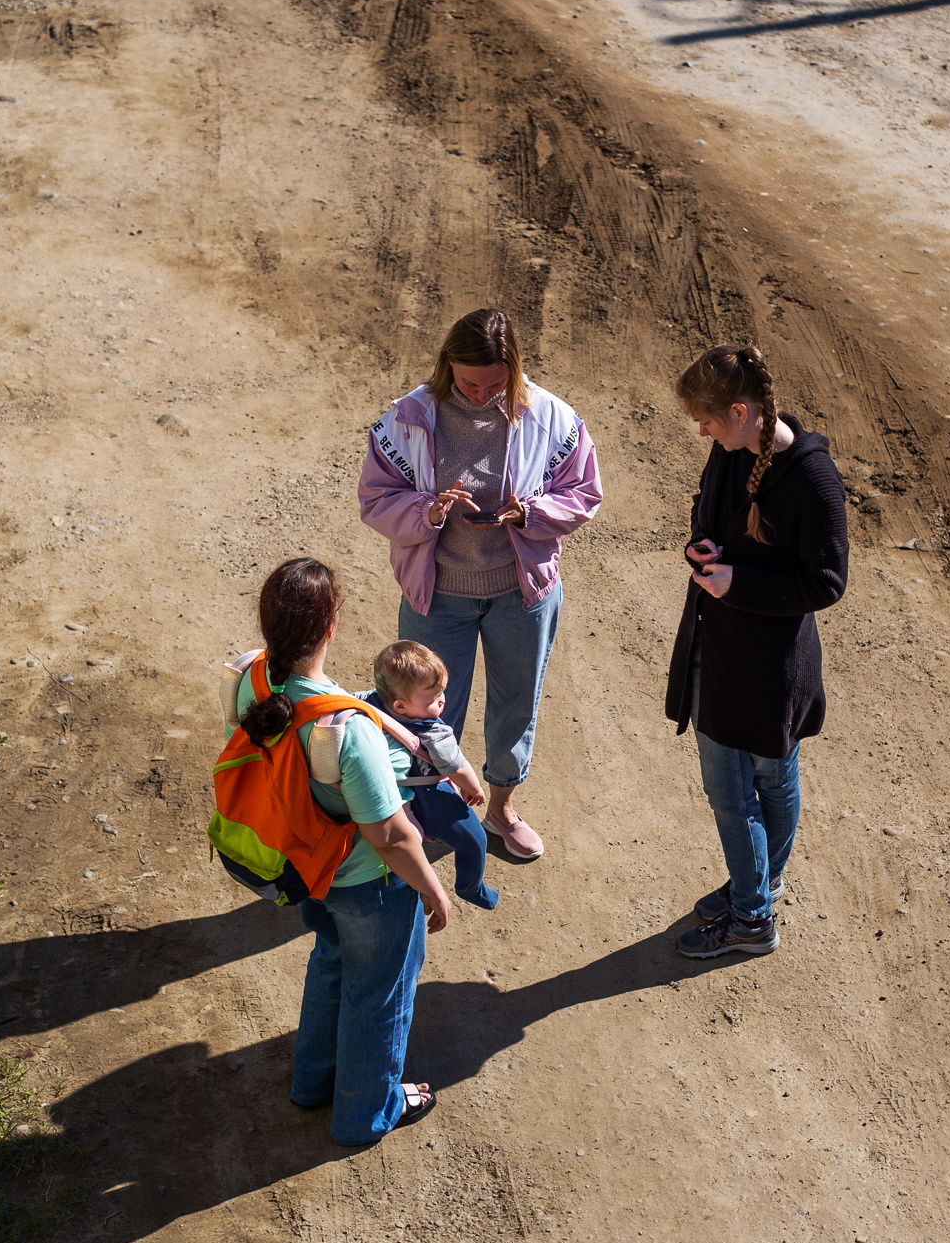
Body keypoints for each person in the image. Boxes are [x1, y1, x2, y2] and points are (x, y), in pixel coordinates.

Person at [358, 307, 603, 863]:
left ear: (514, 369)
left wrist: (530, 514)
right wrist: (429, 509)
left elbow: (583, 491)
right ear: (448, 364)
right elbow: (375, 499)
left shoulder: (552, 419)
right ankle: (426, 812)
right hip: (438, 594)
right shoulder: (407, 419)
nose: (482, 393)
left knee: (517, 702)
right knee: (424, 712)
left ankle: (501, 810)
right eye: (470, 382)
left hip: (521, 593)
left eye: (496, 383)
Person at [225, 557, 452, 1144]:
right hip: (365, 884)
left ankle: (312, 1082)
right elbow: (392, 836)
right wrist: (433, 888)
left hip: (303, 869)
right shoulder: (348, 729)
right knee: (379, 994)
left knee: (331, 962)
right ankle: (364, 1115)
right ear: (331, 628)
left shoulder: (250, 678)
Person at [663, 346, 849, 959]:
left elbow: (826, 582)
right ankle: (759, 884)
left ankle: (751, 917)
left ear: (741, 411)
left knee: (747, 788)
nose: (703, 431)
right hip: (718, 651)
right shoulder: (730, 449)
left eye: (709, 420)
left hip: (770, 670)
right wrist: (702, 544)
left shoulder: (815, 481)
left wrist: (739, 583)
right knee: (755, 785)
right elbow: (706, 509)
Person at [361, 640, 501, 911]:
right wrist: (474, 789)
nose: (443, 700)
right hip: (429, 797)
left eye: (442, 692)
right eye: (433, 698)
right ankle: (471, 887)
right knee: (475, 841)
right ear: (401, 706)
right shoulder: (434, 733)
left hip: (388, 795)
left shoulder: (366, 702)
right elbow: (457, 767)